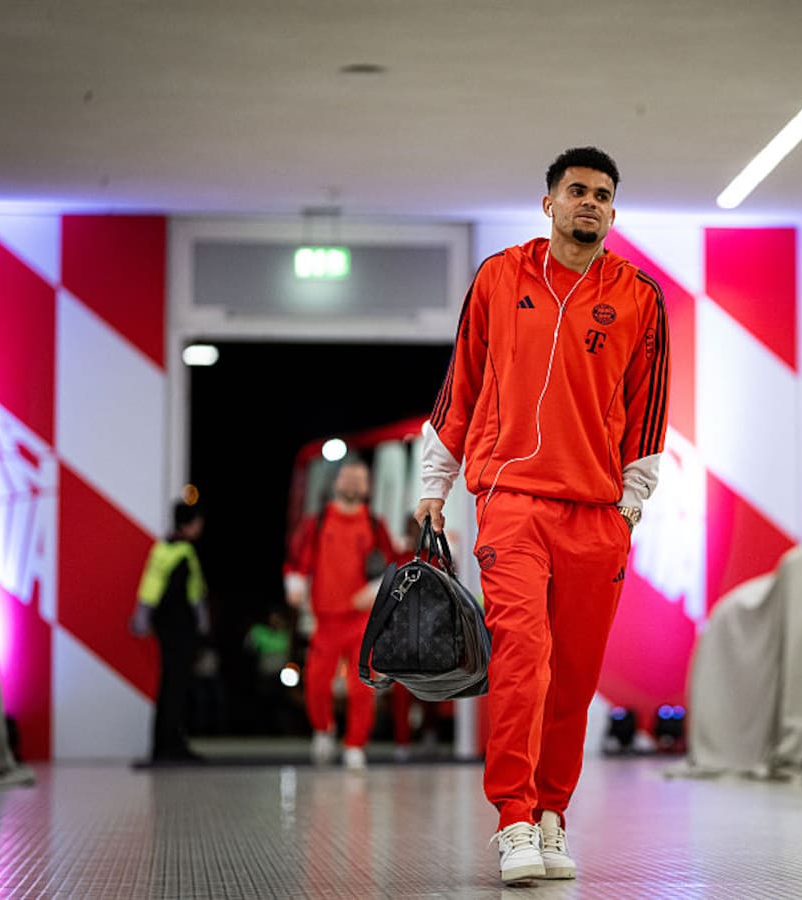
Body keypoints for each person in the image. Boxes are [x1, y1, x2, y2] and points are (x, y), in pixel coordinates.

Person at [415, 146, 670, 884]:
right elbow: (460, 380)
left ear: (612, 212)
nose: (589, 202)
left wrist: (630, 502)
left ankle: (553, 815)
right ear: (549, 203)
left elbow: (649, 408)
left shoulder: (639, 296)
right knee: (523, 659)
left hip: (596, 512)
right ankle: (514, 820)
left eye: (602, 195)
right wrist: (437, 481)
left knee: (575, 678)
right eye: (577, 190)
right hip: (510, 501)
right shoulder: (500, 277)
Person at [284, 457, 401, 770]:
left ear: (367, 486)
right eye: (347, 477)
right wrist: (295, 585)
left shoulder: (375, 526)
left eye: (359, 478)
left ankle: (355, 745)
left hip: (362, 621)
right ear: (337, 482)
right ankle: (323, 729)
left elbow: (392, 568)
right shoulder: (318, 522)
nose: (352, 483)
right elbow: (297, 560)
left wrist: (374, 590)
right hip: (326, 619)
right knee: (316, 684)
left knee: (362, 686)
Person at [131, 500, 210, 763]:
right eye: (198, 521)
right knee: (176, 686)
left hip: (165, 628)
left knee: (168, 684)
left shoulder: (162, 548)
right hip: (179, 630)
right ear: (190, 524)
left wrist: (144, 619)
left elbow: (150, 587)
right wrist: (201, 625)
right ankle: (172, 744)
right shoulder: (184, 554)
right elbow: (192, 595)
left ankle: (162, 743)